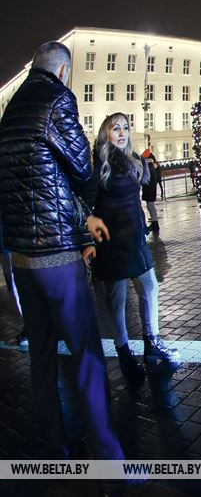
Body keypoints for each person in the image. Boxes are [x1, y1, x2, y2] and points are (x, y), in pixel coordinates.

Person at [0, 41, 124, 459]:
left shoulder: (9, 111)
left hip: (21, 260)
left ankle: (56, 447)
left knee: (42, 358)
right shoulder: (57, 99)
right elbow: (80, 168)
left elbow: (39, 183)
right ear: (63, 71)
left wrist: (82, 217)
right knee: (87, 356)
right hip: (55, 255)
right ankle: (111, 464)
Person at [82, 113, 180, 383]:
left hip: (135, 237)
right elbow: (84, 203)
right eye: (116, 128)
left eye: (125, 127)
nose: (122, 133)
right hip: (111, 241)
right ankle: (124, 351)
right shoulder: (99, 164)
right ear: (106, 133)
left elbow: (138, 195)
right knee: (117, 301)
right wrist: (87, 237)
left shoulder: (134, 160)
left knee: (150, 287)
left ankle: (152, 341)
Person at [140, 148, 161, 234]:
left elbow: (147, 179)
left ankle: (155, 224)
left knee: (151, 207)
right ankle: (154, 223)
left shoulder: (148, 167)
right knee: (150, 207)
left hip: (149, 189)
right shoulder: (151, 166)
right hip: (150, 189)